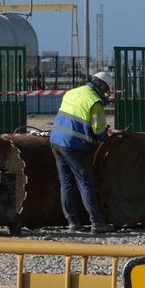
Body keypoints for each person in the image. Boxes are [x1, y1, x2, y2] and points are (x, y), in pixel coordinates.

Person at [49, 71, 115, 234]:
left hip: (56, 141)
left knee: (66, 183)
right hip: (74, 145)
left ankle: (73, 223)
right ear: (102, 86)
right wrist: (107, 139)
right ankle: (97, 222)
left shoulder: (72, 92)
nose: (106, 94)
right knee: (85, 182)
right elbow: (98, 131)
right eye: (106, 90)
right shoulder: (95, 101)